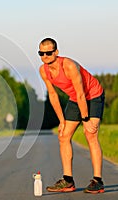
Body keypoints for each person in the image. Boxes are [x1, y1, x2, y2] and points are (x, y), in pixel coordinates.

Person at [38, 38, 105, 194]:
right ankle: (68, 181)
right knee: (63, 136)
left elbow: (82, 94)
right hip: (75, 99)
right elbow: (53, 95)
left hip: (93, 96)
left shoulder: (69, 65)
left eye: (49, 52)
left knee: (90, 134)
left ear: (56, 52)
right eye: (41, 53)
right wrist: (61, 121)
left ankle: (98, 181)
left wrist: (86, 119)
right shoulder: (44, 70)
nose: (45, 56)